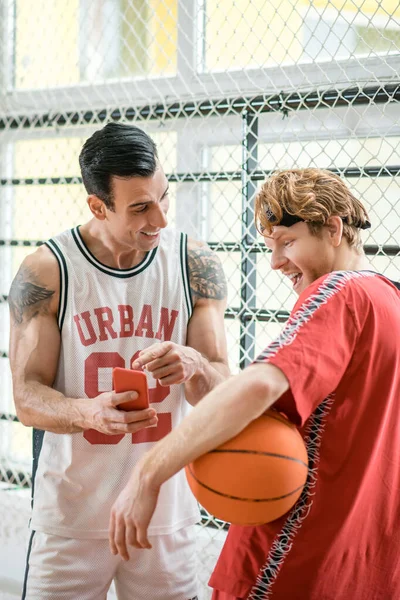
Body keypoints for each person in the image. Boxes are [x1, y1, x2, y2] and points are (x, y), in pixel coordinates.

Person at [108, 167, 400, 600]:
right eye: (269, 247)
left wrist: (147, 475)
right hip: (364, 567)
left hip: (293, 560)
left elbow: (261, 386)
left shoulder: (339, 294)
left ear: (334, 229)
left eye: (287, 242)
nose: (276, 261)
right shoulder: (390, 297)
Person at [8, 122, 229, 600]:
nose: (161, 219)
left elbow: (222, 388)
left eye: (164, 197)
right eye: (141, 208)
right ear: (97, 206)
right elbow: (27, 399)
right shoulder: (48, 271)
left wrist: (195, 364)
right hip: (71, 516)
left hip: (163, 514)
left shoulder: (195, 264)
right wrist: (87, 411)